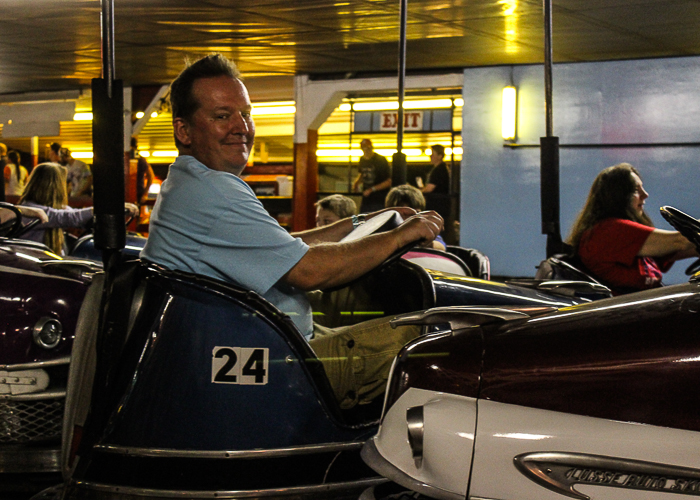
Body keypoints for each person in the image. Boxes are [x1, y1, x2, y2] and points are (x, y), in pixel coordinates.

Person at [141, 54, 443, 409]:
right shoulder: (215, 192)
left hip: (265, 343)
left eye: (246, 114)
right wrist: (399, 236)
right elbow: (309, 270)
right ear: (184, 130)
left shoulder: (188, 182)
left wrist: (364, 221)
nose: (242, 127)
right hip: (278, 363)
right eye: (223, 116)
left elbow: (288, 248)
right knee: (432, 336)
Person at [567, 163, 698, 294]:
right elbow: (680, 241)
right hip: (626, 311)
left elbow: (688, 245)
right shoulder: (609, 231)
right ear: (618, 196)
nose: (645, 194)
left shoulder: (628, 241)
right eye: (636, 190)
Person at [18, 162, 137, 255]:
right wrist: (109, 207)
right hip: (32, 268)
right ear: (54, 187)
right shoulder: (29, 211)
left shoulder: (56, 209)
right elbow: (70, 217)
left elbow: (75, 215)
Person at [385, 184, 446, 251]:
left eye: (414, 214)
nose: (409, 219)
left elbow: (441, 247)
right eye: (404, 214)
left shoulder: (425, 229)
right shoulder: (384, 231)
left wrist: (427, 243)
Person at [352, 139, 391, 213]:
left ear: (371, 148)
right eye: (363, 148)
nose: (366, 150)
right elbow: (362, 174)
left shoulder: (380, 160)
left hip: (379, 200)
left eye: (367, 148)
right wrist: (357, 183)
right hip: (367, 199)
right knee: (363, 218)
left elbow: (388, 182)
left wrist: (371, 189)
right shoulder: (362, 160)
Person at [130, 137, 155, 205]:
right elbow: (150, 175)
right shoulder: (140, 159)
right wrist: (145, 193)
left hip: (136, 194)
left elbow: (150, 175)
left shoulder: (140, 160)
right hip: (138, 194)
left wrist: (145, 193)